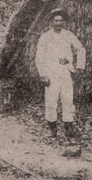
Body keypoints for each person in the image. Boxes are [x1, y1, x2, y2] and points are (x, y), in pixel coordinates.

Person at [35, 8, 86, 138]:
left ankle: (69, 128)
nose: (58, 23)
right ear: (51, 22)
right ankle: (52, 129)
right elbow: (39, 57)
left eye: (61, 21)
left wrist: (79, 66)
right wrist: (43, 74)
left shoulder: (68, 35)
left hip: (66, 71)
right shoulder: (45, 37)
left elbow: (80, 49)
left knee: (68, 99)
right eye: (56, 20)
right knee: (51, 100)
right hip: (51, 71)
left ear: (64, 22)